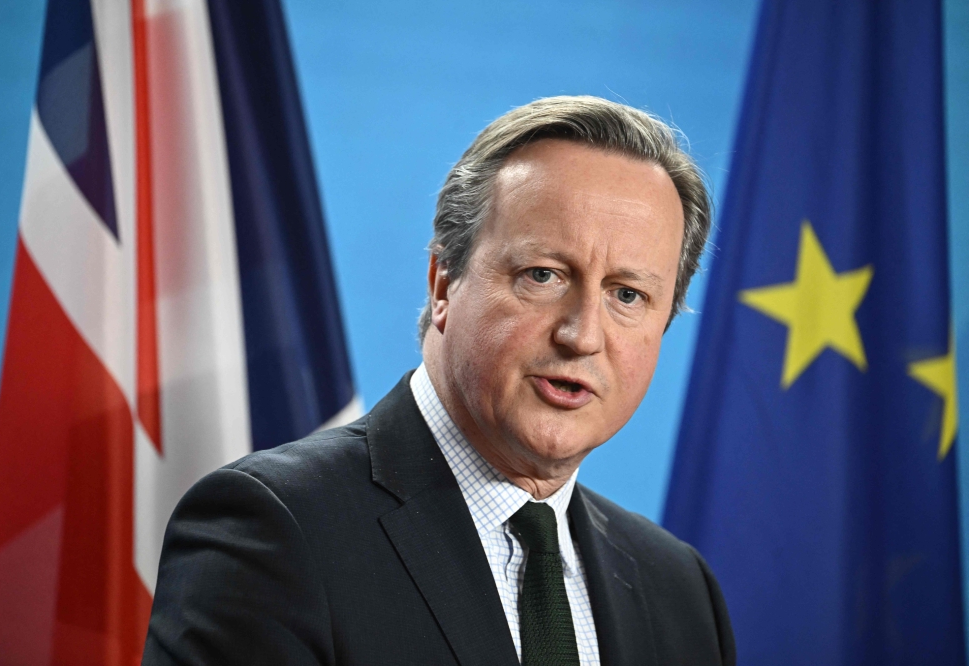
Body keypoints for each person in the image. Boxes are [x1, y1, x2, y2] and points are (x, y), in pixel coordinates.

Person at [142, 96, 736, 666]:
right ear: (444, 284)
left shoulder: (681, 592)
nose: (582, 336)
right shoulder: (275, 529)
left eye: (627, 295)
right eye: (544, 275)